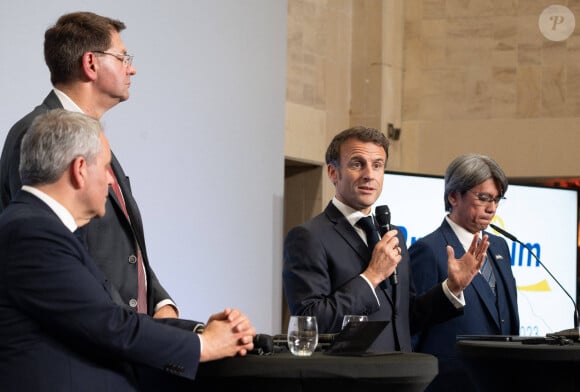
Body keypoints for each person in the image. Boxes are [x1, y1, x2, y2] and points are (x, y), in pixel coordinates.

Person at [0, 109, 256, 392]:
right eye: (106, 167)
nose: (111, 182)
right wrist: (204, 345)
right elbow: (108, 324)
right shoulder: (32, 233)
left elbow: (111, 314)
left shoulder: (41, 227)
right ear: (80, 169)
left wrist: (199, 331)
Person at [0, 11, 177, 318]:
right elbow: (54, 255)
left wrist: (160, 304)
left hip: (126, 341)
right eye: (123, 57)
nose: (132, 69)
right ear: (91, 63)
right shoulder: (37, 133)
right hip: (93, 342)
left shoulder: (93, 138)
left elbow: (125, 248)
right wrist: (139, 333)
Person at [283, 126, 489, 352]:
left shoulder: (392, 234)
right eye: (356, 164)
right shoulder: (308, 237)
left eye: (377, 165)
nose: (369, 174)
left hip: (398, 375)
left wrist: (451, 288)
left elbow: (405, 317)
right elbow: (309, 321)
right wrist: (372, 276)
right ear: (333, 173)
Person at [408, 153, 519, 391]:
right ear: (453, 196)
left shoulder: (499, 247)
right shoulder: (428, 250)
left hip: (501, 380)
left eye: (497, 199)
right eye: (483, 198)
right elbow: (413, 326)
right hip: (451, 383)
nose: (492, 208)